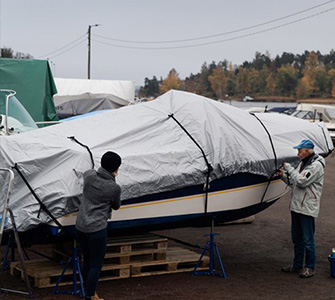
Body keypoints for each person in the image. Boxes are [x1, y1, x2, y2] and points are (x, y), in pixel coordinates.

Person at [76, 151, 122, 300]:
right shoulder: (114, 187)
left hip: (81, 225)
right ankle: (90, 296)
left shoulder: (89, 176)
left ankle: (86, 290)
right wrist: (113, 179)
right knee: (96, 264)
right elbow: (116, 206)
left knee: (87, 261)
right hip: (97, 229)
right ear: (116, 169)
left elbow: (89, 173)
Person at [277, 139, 325, 278]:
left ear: (307, 151)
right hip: (297, 206)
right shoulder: (304, 164)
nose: (297, 153)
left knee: (308, 239)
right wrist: (283, 176)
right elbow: (294, 182)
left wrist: (288, 168)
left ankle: (310, 267)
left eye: (299, 151)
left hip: (306, 208)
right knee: (296, 238)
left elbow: (301, 181)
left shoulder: (316, 166)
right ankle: (297, 265)